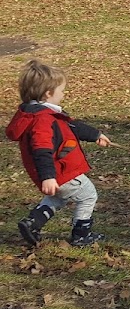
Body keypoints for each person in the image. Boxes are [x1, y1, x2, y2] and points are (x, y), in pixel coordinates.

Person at [6, 60, 111, 247]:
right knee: (88, 195)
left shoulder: (36, 113)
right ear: (48, 93)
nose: (63, 94)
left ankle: (33, 223)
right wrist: (48, 176)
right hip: (60, 170)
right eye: (61, 91)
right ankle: (81, 234)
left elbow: (70, 125)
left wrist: (96, 135)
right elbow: (41, 149)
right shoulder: (42, 120)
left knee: (58, 197)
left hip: (55, 172)